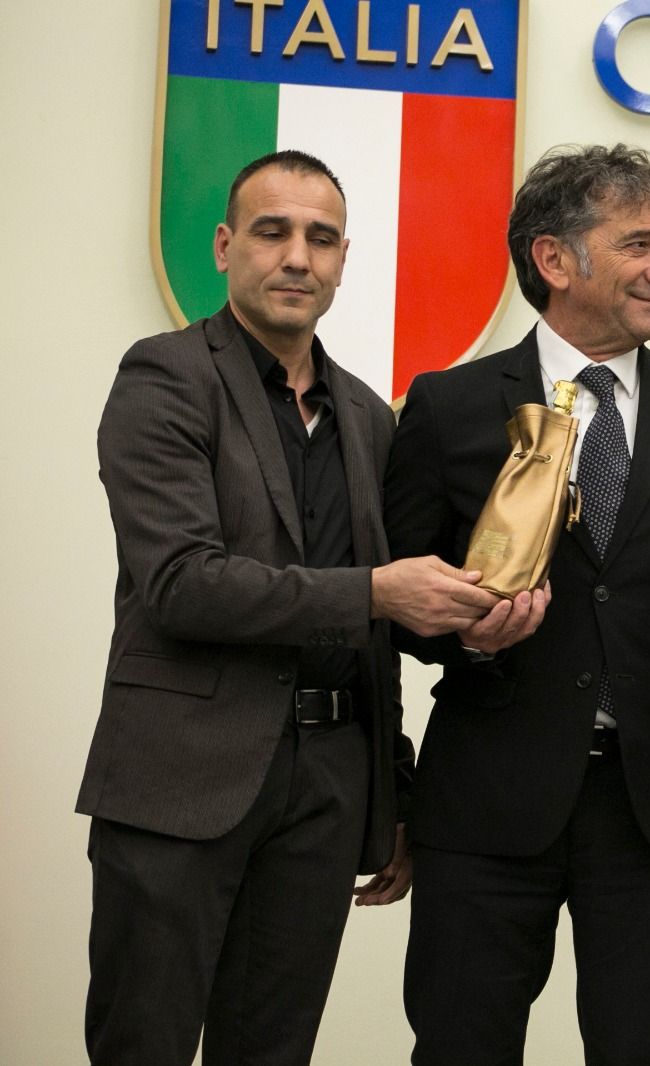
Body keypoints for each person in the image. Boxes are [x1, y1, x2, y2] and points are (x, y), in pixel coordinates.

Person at [81, 149, 504, 1066]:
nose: (297, 257)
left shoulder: (370, 416)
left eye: (321, 238)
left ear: (345, 260)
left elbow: (375, 634)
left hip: (327, 788)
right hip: (180, 780)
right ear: (224, 247)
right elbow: (182, 583)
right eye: (272, 232)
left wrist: (393, 789)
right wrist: (376, 591)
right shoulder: (162, 377)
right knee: (142, 1045)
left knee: (274, 1052)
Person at [385, 143, 650, 1065]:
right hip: (489, 800)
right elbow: (399, 605)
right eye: (640, 243)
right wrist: (470, 640)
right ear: (554, 259)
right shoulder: (447, 405)